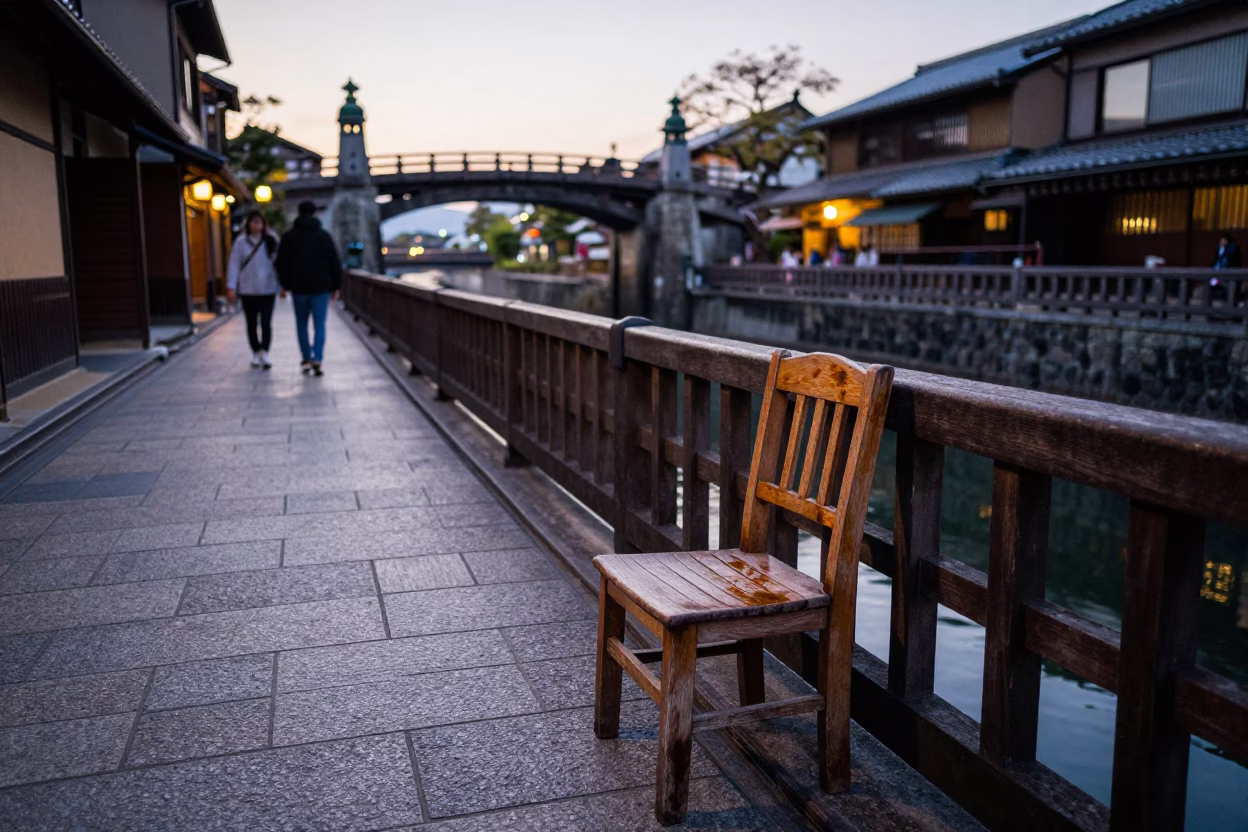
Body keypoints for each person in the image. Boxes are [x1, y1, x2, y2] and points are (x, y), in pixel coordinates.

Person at [276, 201, 342, 376]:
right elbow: (334, 263)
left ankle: (306, 358)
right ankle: (318, 358)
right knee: (320, 324)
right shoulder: (324, 236)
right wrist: (336, 286)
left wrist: (284, 285)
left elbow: (281, 263)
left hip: (298, 288)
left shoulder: (289, 237)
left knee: (301, 324)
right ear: (315, 214)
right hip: (321, 287)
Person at [226, 211, 281, 370]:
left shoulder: (271, 240)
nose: (256, 225)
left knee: (266, 322)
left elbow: (279, 263)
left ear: (263, 224)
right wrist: (231, 286)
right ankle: (255, 351)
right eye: (253, 222)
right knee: (251, 323)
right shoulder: (241, 242)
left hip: (268, 289)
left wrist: (282, 285)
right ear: (248, 224)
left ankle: (265, 351)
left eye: (259, 222)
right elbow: (234, 264)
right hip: (247, 289)